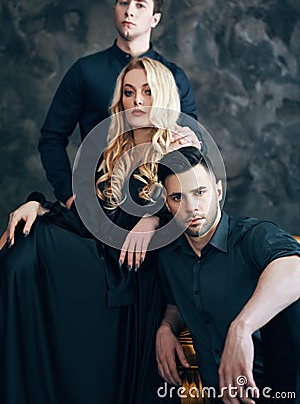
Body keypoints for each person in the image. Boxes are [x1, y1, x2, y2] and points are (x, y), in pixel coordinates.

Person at [0, 58, 199, 404]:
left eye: (148, 92)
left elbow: (195, 215)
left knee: (35, 246)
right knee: (23, 247)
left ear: (164, 95)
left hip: (137, 274)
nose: (137, 101)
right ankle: (22, 383)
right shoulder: (111, 151)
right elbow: (85, 219)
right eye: (129, 92)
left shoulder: (179, 149)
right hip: (101, 257)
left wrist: (152, 218)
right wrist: (39, 205)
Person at [38, 0, 197, 209]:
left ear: (155, 18)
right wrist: (69, 195)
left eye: (140, 5)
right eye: (124, 2)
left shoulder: (174, 77)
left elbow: (192, 139)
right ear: (115, 8)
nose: (129, 10)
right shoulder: (86, 71)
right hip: (102, 202)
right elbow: (52, 137)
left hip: (158, 205)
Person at [155, 146, 300, 404]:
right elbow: (177, 301)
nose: (191, 207)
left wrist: (241, 328)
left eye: (200, 192)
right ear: (167, 203)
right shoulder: (169, 256)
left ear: (218, 191)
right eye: (178, 197)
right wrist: (167, 326)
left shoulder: (252, 237)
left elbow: (295, 268)